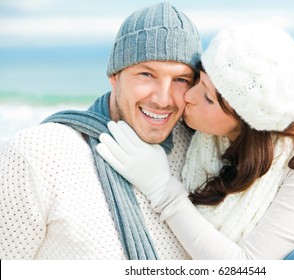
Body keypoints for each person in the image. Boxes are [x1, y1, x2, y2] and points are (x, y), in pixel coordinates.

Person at [97, 24, 294, 259]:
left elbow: (248, 269)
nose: (188, 96)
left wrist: (163, 192)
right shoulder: (203, 136)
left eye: (208, 98)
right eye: (198, 79)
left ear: (248, 123)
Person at [0, 2, 202, 260]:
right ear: (114, 76)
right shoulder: (37, 155)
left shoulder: (199, 151)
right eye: (146, 74)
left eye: (181, 80)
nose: (163, 99)